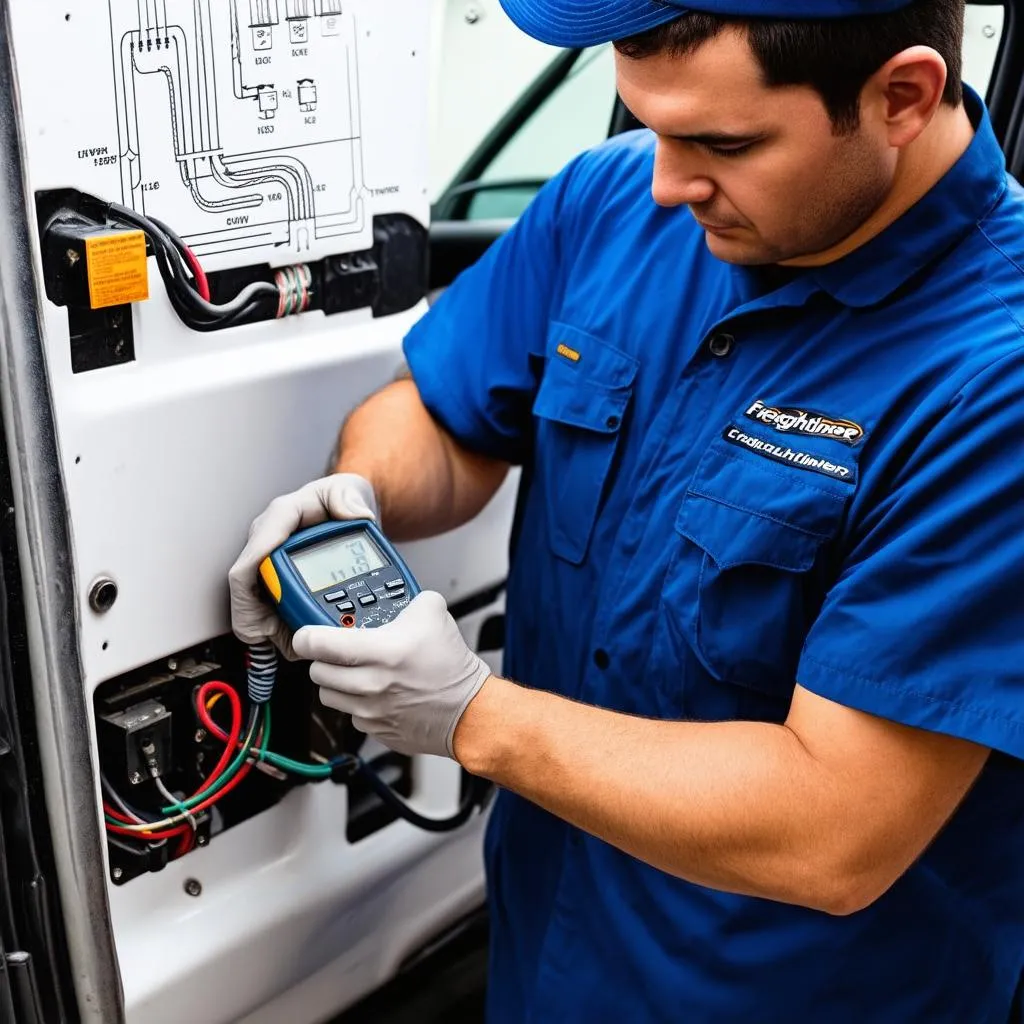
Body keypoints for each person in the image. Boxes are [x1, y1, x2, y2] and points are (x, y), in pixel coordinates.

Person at [229, 1, 1024, 1019]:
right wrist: (361, 494)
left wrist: (475, 716)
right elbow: (441, 414)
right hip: (545, 952)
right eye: (646, 123)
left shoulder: (991, 381)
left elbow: (835, 829)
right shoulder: (610, 204)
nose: (666, 181)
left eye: (722, 142)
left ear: (900, 97)